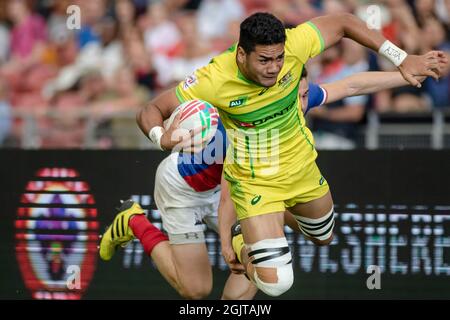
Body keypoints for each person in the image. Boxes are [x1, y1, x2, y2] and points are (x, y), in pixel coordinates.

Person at [98, 55, 445, 299]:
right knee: (197, 290)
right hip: (185, 188)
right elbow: (230, 192)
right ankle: (133, 222)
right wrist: (226, 239)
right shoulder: (247, 123)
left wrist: (404, 74)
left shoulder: (296, 102)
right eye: (299, 95)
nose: (304, 103)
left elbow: (351, 85)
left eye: (306, 95)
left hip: (234, 189)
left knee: (260, 261)